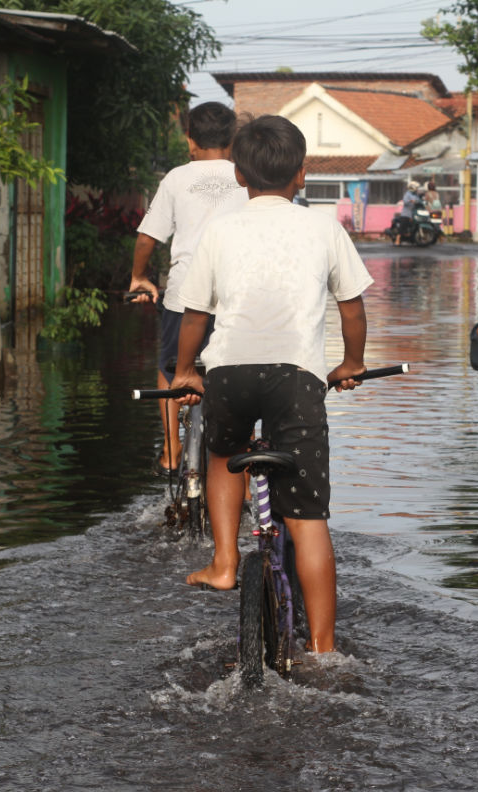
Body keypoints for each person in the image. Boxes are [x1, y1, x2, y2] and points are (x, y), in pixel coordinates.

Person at [169, 115, 373, 654]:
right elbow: (352, 310)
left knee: (223, 453)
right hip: (296, 379)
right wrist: (351, 363)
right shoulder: (324, 226)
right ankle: (324, 650)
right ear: (302, 174)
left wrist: (188, 370)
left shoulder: (220, 230)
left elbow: (194, 314)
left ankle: (224, 563)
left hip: (230, 373)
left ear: (239, 176)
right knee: (308, 519)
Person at [128, 102, 248, 476]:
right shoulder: (247, 176)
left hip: (184, 296)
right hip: (237, 297)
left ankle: (171, 448)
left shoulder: (176, 178)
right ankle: (242, 469)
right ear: (231, 141)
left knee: (168, 369)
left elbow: (148, 237)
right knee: (241, 373)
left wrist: (139, 277)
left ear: (189, 140)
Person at [394, 180, 420, 245]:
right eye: (416, 188)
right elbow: (405, 201)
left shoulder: (415, 194)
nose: (417, 189)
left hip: (413, 213)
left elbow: (418, 200)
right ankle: (397, 240)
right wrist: (411, 201)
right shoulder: (407, 194)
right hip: (406, 214)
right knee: (403, 226)